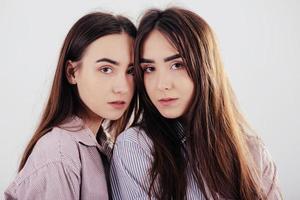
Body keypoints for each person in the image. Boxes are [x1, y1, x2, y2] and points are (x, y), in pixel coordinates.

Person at [110, 7, 282, 200]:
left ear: (205, 66)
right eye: (149, 68)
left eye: (177, 65)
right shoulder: (137, 146)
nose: (162, 85)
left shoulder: (252, 151)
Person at [5, 12, 136, 200]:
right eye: (106, 69)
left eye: (131, 71)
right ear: (72, 72)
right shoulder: (59, 155)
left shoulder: (103, 146)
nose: (122, 87)